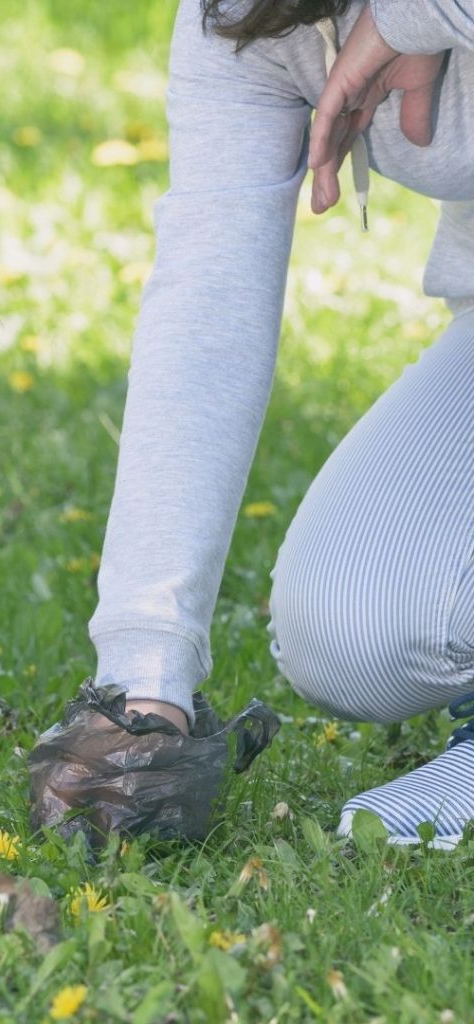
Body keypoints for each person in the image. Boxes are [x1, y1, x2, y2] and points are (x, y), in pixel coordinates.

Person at [32, 0, 474, 848]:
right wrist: (144, 674)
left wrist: (415, 17)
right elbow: (208, 303)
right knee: (354, 630)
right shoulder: (246, 17)